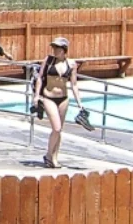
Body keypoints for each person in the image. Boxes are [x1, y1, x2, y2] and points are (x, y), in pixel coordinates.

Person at [32, 37, 84, 169]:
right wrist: (37, 96)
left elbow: (74, 84)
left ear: (64, 50)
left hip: (63, 98)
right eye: (54, 47)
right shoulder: (48, 61)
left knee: (59, 130)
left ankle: (54, 157)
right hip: (49, 97)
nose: (55, 50)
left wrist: (80, 103)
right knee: (56, 128)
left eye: (57, 48)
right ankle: (49, 155)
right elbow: (39, 78)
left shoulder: (71, 64)